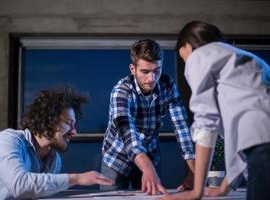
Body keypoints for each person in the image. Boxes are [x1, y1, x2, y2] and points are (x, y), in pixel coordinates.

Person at [160, 21, 270, 200]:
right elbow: (250, 134)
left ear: (187, 46)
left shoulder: (200, 56)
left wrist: (197, 191)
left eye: (183, 58)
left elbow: (206, 123)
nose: (186, 64)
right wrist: (223, 189)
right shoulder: (246, 58)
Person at [0, 86, 113, 200]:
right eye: (68, 123)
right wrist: (77, 178)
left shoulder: (54, 160)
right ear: (49, 119)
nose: (74, 132)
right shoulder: (7, 139)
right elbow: (20, 186)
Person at [101, 39, 195, 195]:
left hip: (150, 155)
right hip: (116, 160)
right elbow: (127, 133)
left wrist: (194, 171)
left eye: (156, 71)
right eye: (145, 72)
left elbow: (182, 128)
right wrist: (148, 168)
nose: (152, 79)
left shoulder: (168, 86)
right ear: (133, 69)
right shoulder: (121, 91)